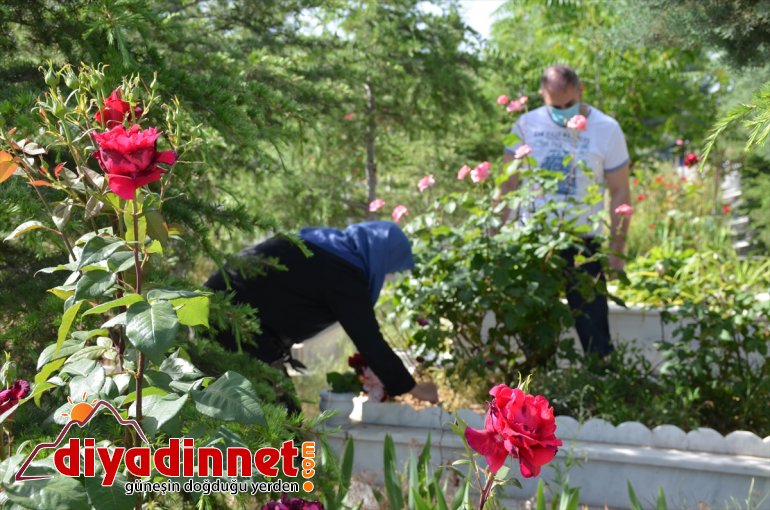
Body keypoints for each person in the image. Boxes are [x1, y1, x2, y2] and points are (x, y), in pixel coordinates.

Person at [203, 221, 439, 406]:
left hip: (222, 313)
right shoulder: (344, 271)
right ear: (384, 258)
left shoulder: (327, 247)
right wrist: (415, 389)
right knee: (282, 423)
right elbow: (369, 341)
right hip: (233, 323)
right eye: (391, 271)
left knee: (255, 414)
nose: (389, 278)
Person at [500, 64, 631, 358]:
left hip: (583, 242)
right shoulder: (525, 125)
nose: (563, 112)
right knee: (535, 335)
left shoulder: (607, 129)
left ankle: (602, 380)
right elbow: (507, 184)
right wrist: (495, 234)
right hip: (536, 242)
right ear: (542, 95)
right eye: (555, 106)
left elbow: (620, 191)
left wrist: (617, 249)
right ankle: (536, 385)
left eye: (569, 104)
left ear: (581, 91)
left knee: (595, 331)